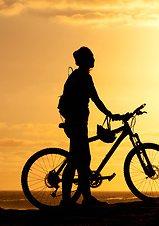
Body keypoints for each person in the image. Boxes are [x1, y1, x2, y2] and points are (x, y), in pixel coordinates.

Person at [58, 46, 119, 207]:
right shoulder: (83, 77)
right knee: (80, 160)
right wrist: (110, 114)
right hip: (77, 123)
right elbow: (95, 99)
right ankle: (73, 200)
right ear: (86, 59)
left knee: (79, 160)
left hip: (75, 122)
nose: (93, 59)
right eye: (91, 56)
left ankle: (79, 199)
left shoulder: (77, 75)